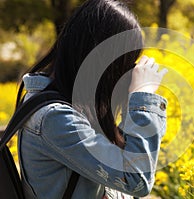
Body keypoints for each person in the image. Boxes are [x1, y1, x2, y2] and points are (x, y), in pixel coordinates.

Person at [16, 0, 168, 198]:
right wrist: (143, 96)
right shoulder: (56, 119)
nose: (127, 74)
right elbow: (136, 180)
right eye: (125, 64)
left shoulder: (64, 104)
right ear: (103, 63)